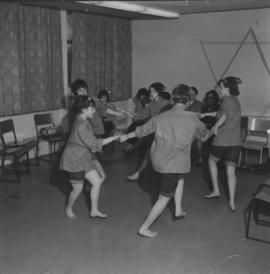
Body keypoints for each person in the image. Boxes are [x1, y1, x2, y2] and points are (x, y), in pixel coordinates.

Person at [120, 84, 207, 238]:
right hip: (172, 163)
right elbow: (204, 137)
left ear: (173, 100)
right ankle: (144, 228)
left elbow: (141, 131)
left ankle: (178, 209)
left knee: (180, 176)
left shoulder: (160, 117)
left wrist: (126, 136)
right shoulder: (194, 120)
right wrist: (211, 129)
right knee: (163, 197)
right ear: (188, 102)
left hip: (158, 160)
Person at [60, 96, 120, 219]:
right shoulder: (81, 124)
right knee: (77, 189)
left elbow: (89, 142)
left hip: (83, 157)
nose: (94, 111)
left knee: (97, 181)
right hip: (74, 160)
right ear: (83, 109)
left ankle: (94, 211)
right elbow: (93, 143)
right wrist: (113, 138)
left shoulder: (83, 119)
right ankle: (68, 208)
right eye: (92, 108)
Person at [204, 76, 242, 212]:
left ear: (227, 88)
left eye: (221, 87)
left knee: (211, 161)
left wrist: (215, 127)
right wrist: (205, 115)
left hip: (222, 140)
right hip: (235, 141)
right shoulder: (236, 101)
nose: (220, 90)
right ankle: (232, 202)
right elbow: (221, 113)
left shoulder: (225, 101)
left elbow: (224, 116)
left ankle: (216, 190)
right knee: (231, 171)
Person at [126, 82, 171, 181]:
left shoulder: (166, 103)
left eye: (152, 91)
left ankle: (163, 176)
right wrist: (136, 116)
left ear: (158, 92)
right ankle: (139, 173)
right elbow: (144, 115)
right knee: (149, 153)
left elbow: (167, 119)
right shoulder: (151, 104)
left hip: (165, 133)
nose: (150, 93)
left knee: (158, 155)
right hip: (155, 132)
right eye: (150, 91)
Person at [199, 90, 220, 190]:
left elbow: (218, 122)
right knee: (205, 159)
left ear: (216, 99)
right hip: (205, 134)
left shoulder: (218, 108)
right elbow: (201, 121)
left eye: (212, 97)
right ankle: (212, 184)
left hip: (215, 135)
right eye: (208, 97)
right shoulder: (204, 108)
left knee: (214, 160)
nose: (209, 99)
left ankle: (215, 183)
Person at [123, 87, 151, 154]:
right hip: (139, 120)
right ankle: (132, 145)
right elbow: (138, 111)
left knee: (135, 128)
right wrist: (136, 117)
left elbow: (147, 114)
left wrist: (140, 118)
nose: (142, 98)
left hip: (146, 121)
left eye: (143, 96)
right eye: (140, 96)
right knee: (131, 128)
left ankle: (133, 145)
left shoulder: (149, 103)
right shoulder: (139, 102)